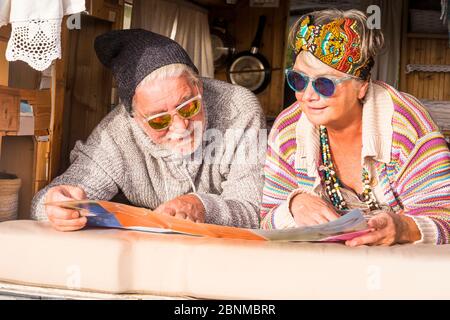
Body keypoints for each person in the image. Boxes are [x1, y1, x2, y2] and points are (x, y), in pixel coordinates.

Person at [31, 29, 266, 231]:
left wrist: (201, 206)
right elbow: (44, 202)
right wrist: (55, 206)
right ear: (134, 118)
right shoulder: (116, 133)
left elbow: (255, 210)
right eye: (159, 121)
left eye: (189, 106)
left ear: (198, 86)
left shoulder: (238, 109)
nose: (181, 126)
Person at [260, 9, 450, 245]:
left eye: (325, 84)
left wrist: (403, 228)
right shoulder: (288, 130)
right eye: (298, 80)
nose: (307, 96)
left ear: (361, 87)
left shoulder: (407, 127)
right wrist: (293, 204)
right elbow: (265, 219)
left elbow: (445, 219)